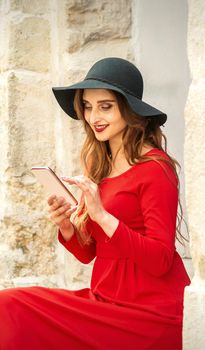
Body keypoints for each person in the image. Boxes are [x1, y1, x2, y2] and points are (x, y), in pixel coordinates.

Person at [0, 57, 190, 350]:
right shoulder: (99, 162)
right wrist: (66, 227)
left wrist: (101, 215)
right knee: (9, 306)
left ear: (130, 109)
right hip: (104, 299)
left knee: (11, 308)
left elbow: (161, 259)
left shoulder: (156, 167)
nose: (93, 116)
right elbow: (91, 252)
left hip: (147, 313)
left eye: (106, 106)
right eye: (87, 106)